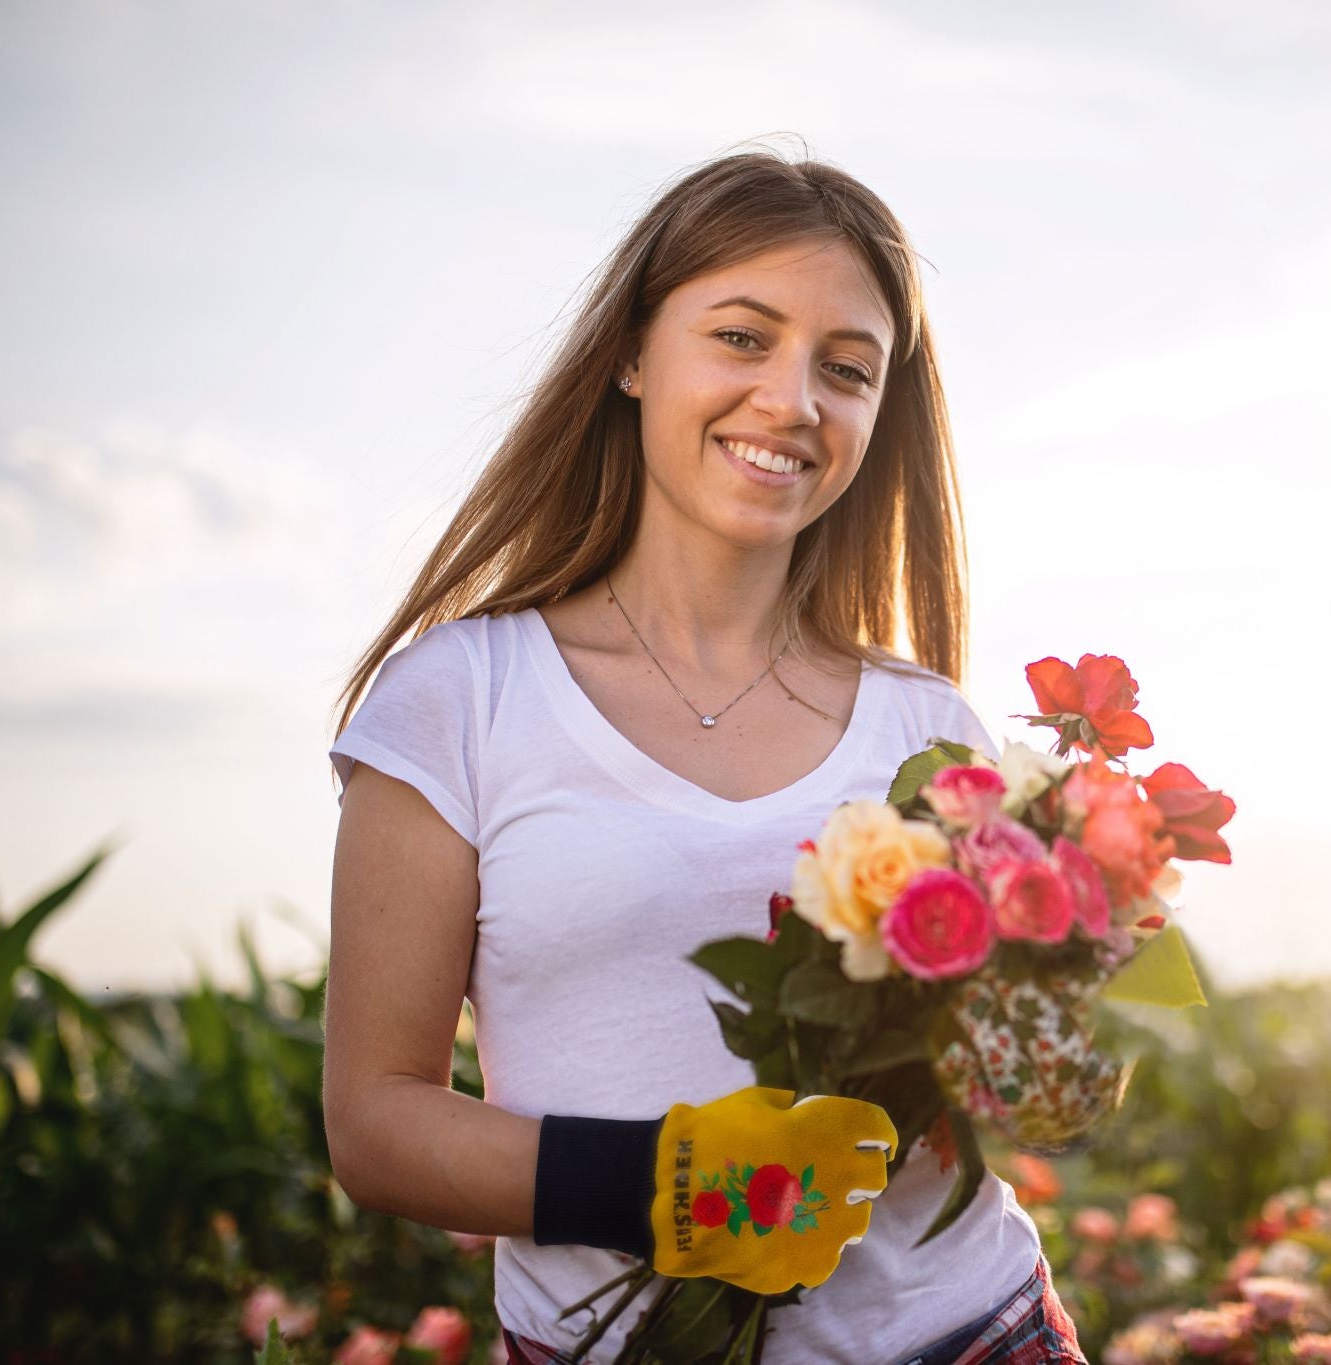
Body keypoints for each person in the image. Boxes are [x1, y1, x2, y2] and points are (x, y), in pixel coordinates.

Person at [321, 145, 1087, 1364]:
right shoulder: (458, 699)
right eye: (741, 337)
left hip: (966, 1336)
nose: (792, 401)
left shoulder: (927, 724)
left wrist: (1034, 1054)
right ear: (631, 352)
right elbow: (374, 1126)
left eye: (847, 369)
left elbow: (963, 1095)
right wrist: (674, 1189)